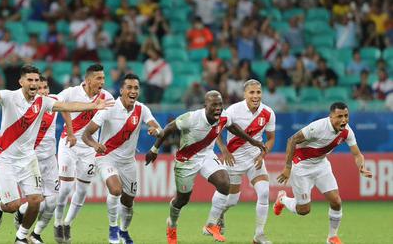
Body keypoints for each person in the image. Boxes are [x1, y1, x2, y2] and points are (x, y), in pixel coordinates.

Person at [0, 65, 113, 244]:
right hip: (6, 159)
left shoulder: (43, 102)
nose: (33, 84)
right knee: (13, 206)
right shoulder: (10, 97)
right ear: (21, 82)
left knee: (36, 201)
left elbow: (67, 106)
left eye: (36, 81)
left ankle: (22, 237)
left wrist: (92, 106)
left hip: (28, 159)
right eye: (30, 80)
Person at [145, 91, 266, 243]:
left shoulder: (223, 116)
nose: (218, 108)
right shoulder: (192, 118)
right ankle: (172, 225)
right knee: (182, 200)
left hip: (207, 156)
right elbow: (169, 128)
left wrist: (253, 141)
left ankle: (211, 224)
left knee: (224, 183)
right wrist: (154, 150)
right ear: (205, 106)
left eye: (220, 105)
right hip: (186, 161)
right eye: (214, 105)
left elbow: (232, 127)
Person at [275, 102, 373, 244]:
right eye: (339, 116)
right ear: (331, 117)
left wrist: (361, 167)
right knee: (303, 210)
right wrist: (287, 167)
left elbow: (357, 154)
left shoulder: (347, 131)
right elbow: (292, 140)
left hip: (321, 165)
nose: (344, 120)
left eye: (346, 116)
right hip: (301, 167)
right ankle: (282, 199)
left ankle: (332, 237)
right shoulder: (318, 127)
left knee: (336, 201)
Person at [82, 74, 162, 244]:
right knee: (116, 190)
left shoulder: (142, 109)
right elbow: (86, 135)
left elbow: (158, 128)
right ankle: (113, 228)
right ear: (121, 90)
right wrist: (95, 145)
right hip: (106, 157)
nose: (133, 91)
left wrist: (156, 131)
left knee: (129, 200)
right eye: (129, 88)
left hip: (128, 162)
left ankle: (124, 232)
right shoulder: (109, 108)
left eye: (136, 88)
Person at [53, 64, 114, 243]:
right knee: (65, 188)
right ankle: (57, 222)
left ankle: (67, 224)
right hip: (68, 144)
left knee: (82, 190)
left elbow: (113, 119)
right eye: (98, 78)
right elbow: (58, 104)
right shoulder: (71, 92)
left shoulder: (107, 97)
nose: (102, 82)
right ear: (88, 80)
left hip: (89, 148)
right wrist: (71, 132)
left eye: (103, 78)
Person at [214, 79, 276, 244]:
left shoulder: (268, 112)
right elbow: (217, 131)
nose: (256, 96)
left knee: (263, 192)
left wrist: (263, 154)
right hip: (234, 159)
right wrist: (225, 150)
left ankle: (259, 235)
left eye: (258, 92)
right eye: (252, 92)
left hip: (254, 158)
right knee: (232, 201)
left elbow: (270, 139)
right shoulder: (233, 111)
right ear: (245, 94)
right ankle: (220, 214)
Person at [13, 75, 72, 244]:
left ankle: (36, 234)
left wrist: (70, 131)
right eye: (40, 88)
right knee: (37, 203)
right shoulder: (26, 107)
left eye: (46, 87)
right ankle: (22, 229)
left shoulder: (53, 101)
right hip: (31, 160)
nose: (44, 91)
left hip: (50, 160)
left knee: (52, 202)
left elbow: (66, 108)